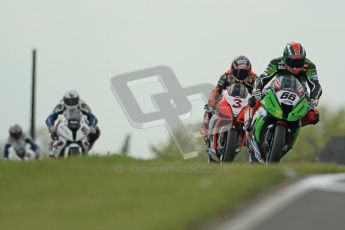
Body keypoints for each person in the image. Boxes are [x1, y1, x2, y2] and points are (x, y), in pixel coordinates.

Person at [243, 41, 322, 131]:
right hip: (277, 87)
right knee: (255, 98)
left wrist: (314, 99)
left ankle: (295, 127)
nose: (296, 66)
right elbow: (262, 78)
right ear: (285, 58)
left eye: (299, 62)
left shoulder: (310, 66)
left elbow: (315, 85)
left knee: (314, 115)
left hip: (300, 92)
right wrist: (257, 90)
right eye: (292, 62)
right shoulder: (276, 62)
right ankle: (248, 122)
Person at [200, 55, 257, 137]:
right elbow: (217, 89)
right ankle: (205, 126)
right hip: (228, 98)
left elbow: (259, 91)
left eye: (243, 72)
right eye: (237, 71)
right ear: (233, 68)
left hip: (245, 102)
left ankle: (250, 135)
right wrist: (211, 101)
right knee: (210, 105)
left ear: (249, 70)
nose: (240, 75)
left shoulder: (254, 77)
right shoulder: (227, 75)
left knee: (256, 113)